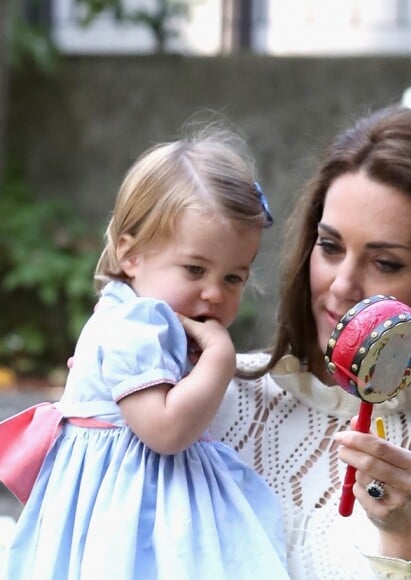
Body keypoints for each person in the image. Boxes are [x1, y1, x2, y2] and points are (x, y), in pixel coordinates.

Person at [204, 105, 411, 578]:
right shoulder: (208, 400)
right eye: (329, 247)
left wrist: (408, 541)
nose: (342, 286)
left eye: (384, 263)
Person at [0, 126, 289, 579]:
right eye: (195, 269)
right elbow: (167, 430)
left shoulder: (136, 316)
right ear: (130, 254)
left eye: (234, 278)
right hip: (130, 511)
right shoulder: (139, 323)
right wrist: (218, 358)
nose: (214, 294)